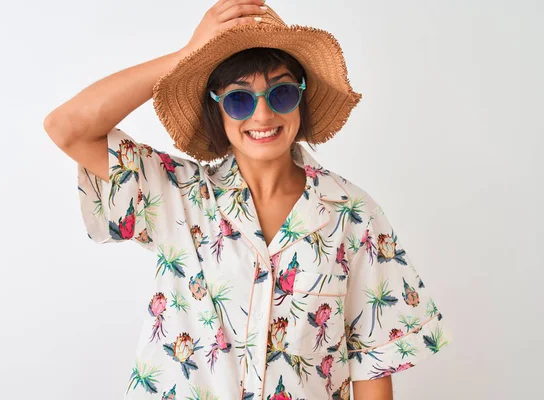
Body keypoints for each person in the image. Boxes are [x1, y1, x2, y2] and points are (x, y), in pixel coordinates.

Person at [44, 2, 452, 399]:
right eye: (240, 99)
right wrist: (188, 54)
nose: (262, 115)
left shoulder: (353, 215)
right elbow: (67, 128)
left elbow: (373, 363)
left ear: (301, 99)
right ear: (217, 110)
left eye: (282, 93)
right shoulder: (176, 195)